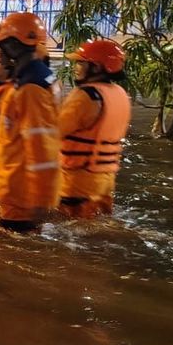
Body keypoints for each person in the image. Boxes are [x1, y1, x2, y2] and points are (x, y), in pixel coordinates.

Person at [0, 12, 60, 233]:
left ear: (14, 47)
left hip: (21, 190)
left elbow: (40, 145)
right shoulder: (40, 78)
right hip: (19, 186)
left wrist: (41, 196)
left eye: (0, 47)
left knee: (6, 254)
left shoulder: (30, 89)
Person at [58, 39, 131, 218]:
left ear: (97, 67)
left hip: (78, 181)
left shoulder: (85, 96)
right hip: (105, 180)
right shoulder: (120, 93)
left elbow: (53, 132)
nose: (76, 67)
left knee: (70, 228)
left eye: (81, 63)